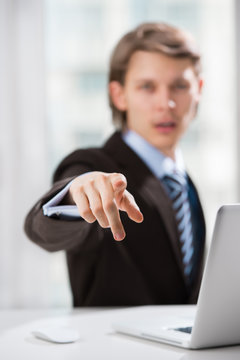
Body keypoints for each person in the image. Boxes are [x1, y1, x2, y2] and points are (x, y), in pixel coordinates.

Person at [24, 22, 205, 307]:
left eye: (180, 86)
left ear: (199, 90)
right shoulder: (93, 166)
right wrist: (76, 194)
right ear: (119, 95)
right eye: (147, 87)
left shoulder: (184, 183)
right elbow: (42, 228)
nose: (166, 103)